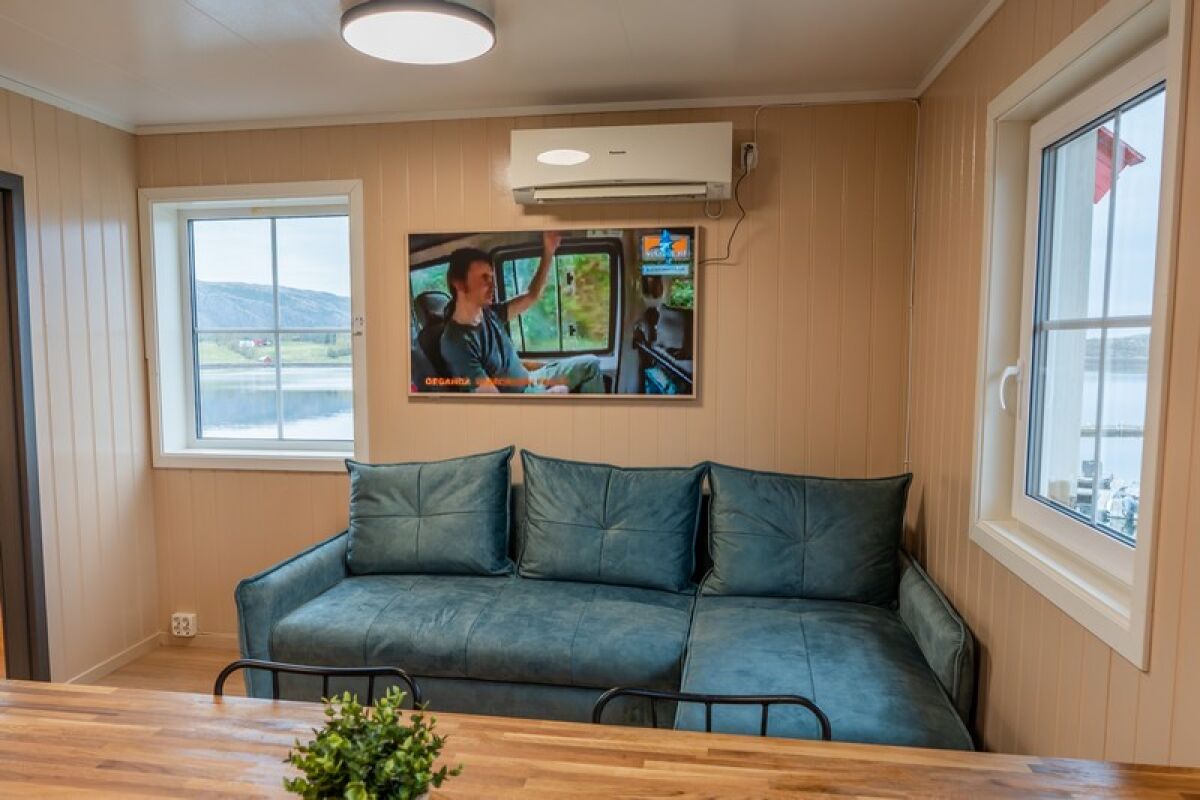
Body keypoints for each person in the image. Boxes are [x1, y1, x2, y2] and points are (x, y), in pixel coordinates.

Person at [439, 231, 604, 394]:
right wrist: (552, 395)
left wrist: (549, 251)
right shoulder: (456, 343)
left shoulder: (490, 313)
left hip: (532, 378)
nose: (493, 285)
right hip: (521, 396)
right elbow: (492, 402)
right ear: (459, 284)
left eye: (492, 277)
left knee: (591, 364)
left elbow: (532, 296)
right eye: (484, 278)